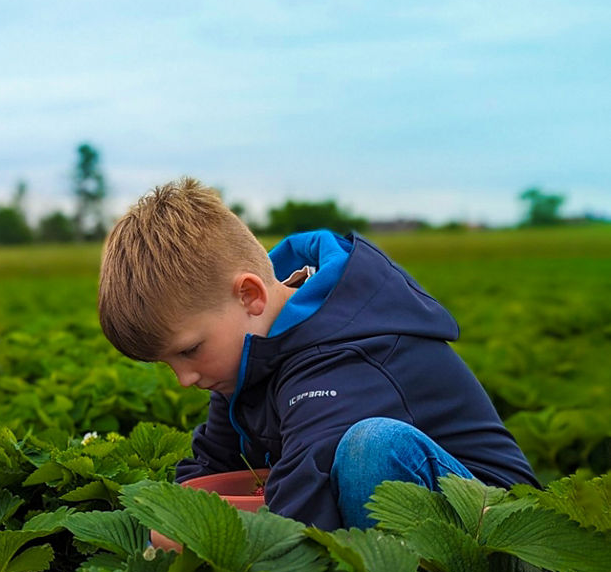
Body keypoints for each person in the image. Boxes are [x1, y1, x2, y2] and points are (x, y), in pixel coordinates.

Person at [98, 178, 537, 533]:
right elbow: (216, 464)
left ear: (249, 295)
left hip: (504, 532)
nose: (184, 379)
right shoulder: (248, 356)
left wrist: (236, 550)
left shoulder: (340, 348)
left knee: (373, 448)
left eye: (190, 351)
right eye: (169, 364)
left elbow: (310, 488)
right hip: (410, 526)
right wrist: (166, 520)